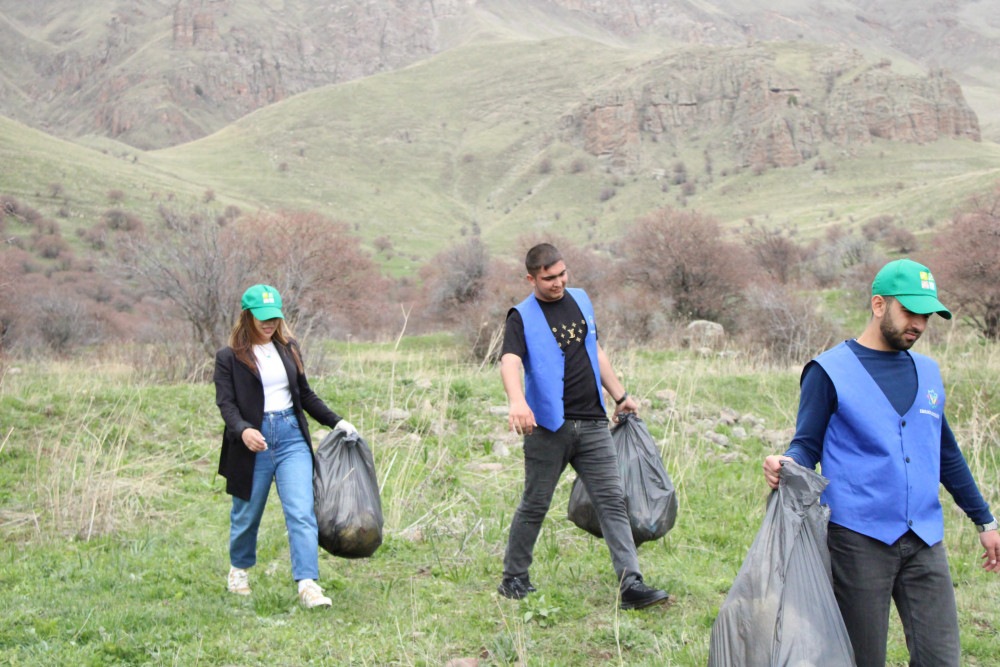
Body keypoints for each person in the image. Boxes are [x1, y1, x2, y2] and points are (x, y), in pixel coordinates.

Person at [762, 258, 1000, 666]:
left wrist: (985, 521)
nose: (919, 325)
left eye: (926, 316)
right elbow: (806, 445)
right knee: (861, 658)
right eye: (910, 312)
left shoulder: (928, 372)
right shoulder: (828, 371)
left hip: (925, 539)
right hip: (857, 540)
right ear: (878, 305)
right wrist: (786, 462)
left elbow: (945, 453)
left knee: (941, 659)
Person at [497, 243, 669, 610]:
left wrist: (620, 395)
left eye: (562, 274)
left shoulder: (580, 300)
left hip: (592, 422)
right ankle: (514, 577)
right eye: (549, 278)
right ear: (531, 279)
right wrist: (517, 401)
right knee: (535, 503)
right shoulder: (521, 316)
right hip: (548, 426)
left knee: (613, 502)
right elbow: (510, 360)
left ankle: (631, 585)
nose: (558, 282)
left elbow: (596, 351)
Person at [214, 284, 356, 609]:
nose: (269, 323)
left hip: (292, 436)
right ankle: (239, 570)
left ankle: (308, 584)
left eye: (274, 317)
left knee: (301, 511)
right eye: (262, 317)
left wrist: (337, 422)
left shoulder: (289, 348)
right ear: (247, 316)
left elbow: (304, 395)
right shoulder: (228, 357)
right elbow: (226, 405)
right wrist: (244, 430)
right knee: (247, 513)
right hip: (253, 442)